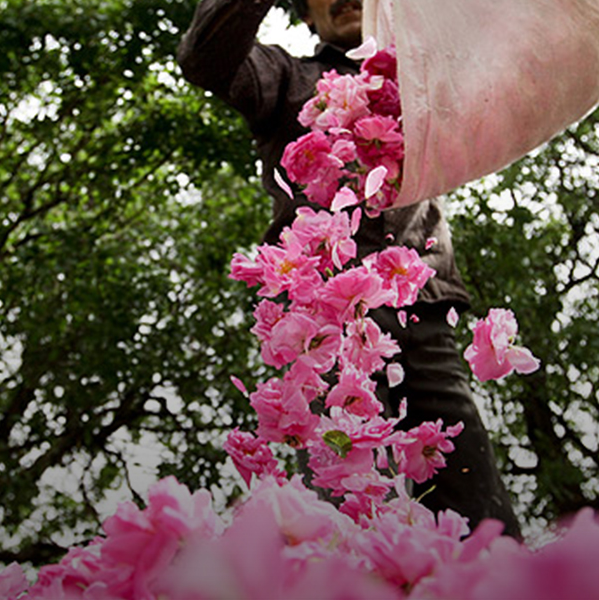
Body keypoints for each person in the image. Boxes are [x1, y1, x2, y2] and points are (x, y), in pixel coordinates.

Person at [177, 0, 522, 539]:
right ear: (306, 18)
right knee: (348, 497)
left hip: (425, 310)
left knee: (481, 511)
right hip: (318, 319)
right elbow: (206, 61)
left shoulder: (431, 75)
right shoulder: (287, 77)